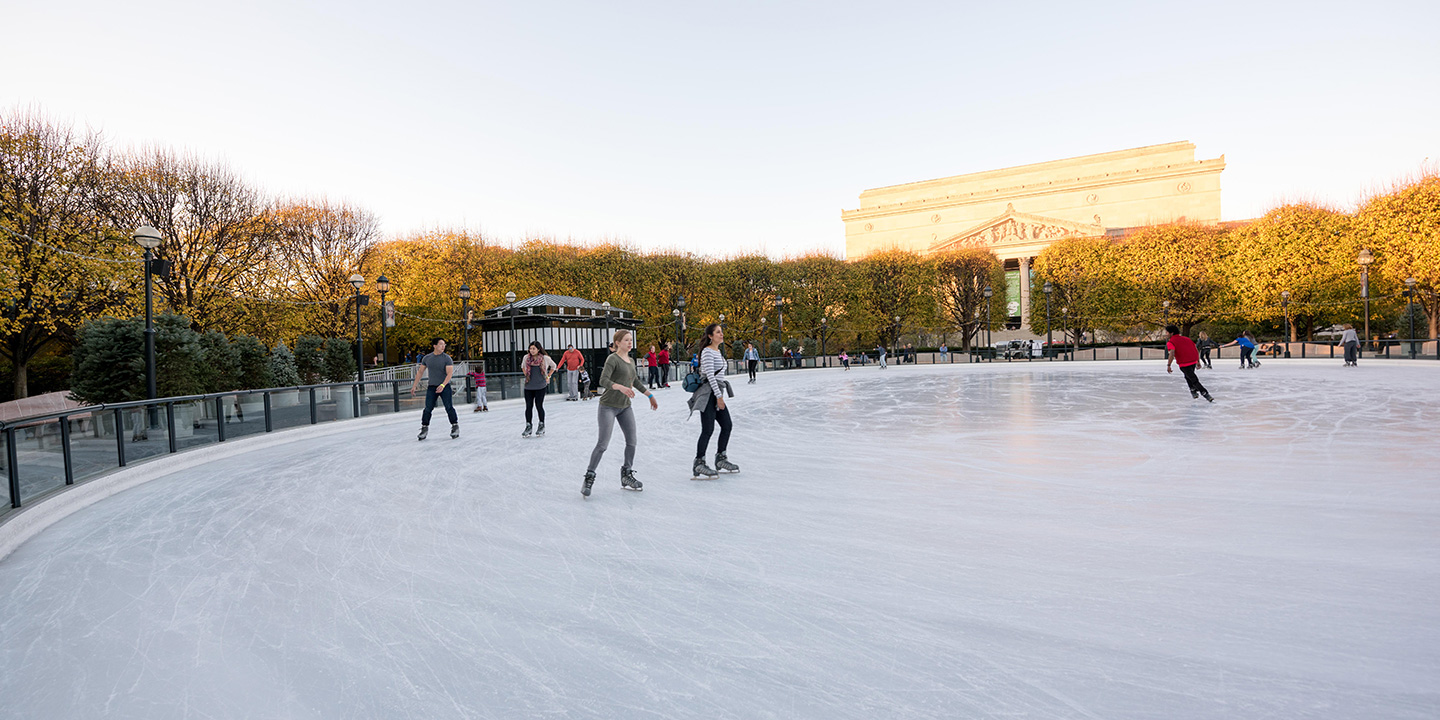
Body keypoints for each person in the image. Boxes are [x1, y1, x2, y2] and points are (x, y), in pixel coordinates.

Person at [583, 329, 657, 496]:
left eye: (631, 340)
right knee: (603, 444)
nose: (630, 343)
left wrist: (650, 395)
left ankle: (626, 474)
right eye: (626, 340)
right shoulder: (612, 359)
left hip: (625, 407)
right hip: (608, 406)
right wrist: (620, 387)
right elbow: (603, 380)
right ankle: (589, 476)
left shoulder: (630, 360)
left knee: (632, 442)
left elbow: (635, 381)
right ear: (617, 343)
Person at [688, 323, 738, 479]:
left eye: (721, 332)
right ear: (710, 336)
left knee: (727, 425)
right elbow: (710, 375)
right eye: (718, 332)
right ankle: (699, 462)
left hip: (716, 393)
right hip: (709, 394)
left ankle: (721, 458)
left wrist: (719, 395)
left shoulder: (718, 352)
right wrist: (719, 397)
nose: (721, 334)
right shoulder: (708, 352)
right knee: (708, 429)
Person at [410, 337, 459, 440]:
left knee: (449, 407)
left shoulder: (447, 358)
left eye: (444, 344)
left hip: (444, 386)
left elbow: (449, 374)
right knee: (428, 408)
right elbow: (420, 372)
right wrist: (414, 385)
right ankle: (424, 428)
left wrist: (443, 385)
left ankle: (455, 426)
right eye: (441, 344)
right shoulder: (427, 358)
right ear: (435, 346)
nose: (443, 346)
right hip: (432, 387)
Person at [1165, 325, 1213, 402]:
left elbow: (1172, 353)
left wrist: (1169, 365)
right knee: (1188, 376)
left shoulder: (1171, 342)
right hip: (1192, 362)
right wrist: (1197, 361)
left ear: (1171, 333)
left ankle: (1205, 393)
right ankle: (1193, 390)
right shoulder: (1187, 339)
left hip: (1184, 364)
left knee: (1193, 379)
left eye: (1167, 332)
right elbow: (1195, 349)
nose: (1166, 334)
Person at [521, 341, 556, 437]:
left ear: (538, 349)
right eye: (530, 348)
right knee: (528, 406)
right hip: (528, 386)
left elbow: (554, 366)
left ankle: (541, 425)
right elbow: (523, 366)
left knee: (539, 405)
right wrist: (527, 375)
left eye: (533, 349)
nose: (531, 351)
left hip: (540, 386)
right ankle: (528, 426)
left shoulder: (545, 358)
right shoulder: (526, 358)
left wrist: (548, 376)